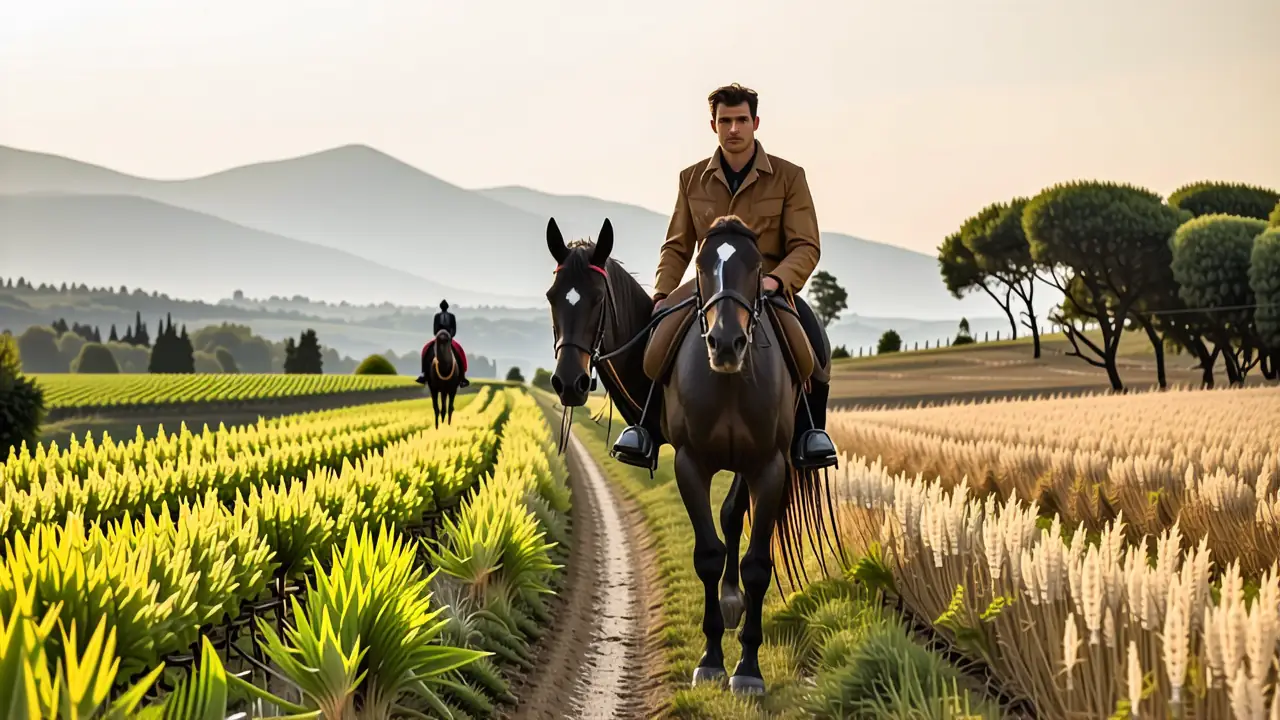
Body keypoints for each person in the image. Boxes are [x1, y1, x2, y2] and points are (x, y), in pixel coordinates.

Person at [610, 82, 837, 470]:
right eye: (725, 121)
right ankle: (645, 431)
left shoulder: (789, 177)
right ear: (713, 125)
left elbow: (806, 246)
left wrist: (777, 280)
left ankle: (810, 434)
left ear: (756, 123)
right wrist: (662, 294)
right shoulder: (691, 179)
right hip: (708, 287)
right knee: (654, 347)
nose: (734, 129)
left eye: (742, 120)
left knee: (813, 350)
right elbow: (678, 246)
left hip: (766, 287)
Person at [419, 299, 469, 387]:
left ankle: (462, 377)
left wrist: (449, 337)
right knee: (426, 349)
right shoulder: (437, 316)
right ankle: (424, 374)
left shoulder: (452, 317)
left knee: (459, 351)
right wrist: (439, 335)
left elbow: (454, 329)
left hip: (449, 339)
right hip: (438, 338)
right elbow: (435, 330)